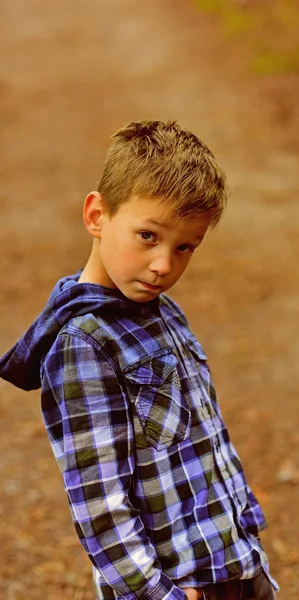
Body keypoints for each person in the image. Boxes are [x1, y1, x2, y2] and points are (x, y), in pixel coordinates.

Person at [0, 121, 278, 600]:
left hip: (228, 559)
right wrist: (157, 593)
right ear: (96, 215)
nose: (164, 265)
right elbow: (99, 503)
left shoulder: (162, 310)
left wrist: (245, 525)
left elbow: (203, 435)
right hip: (177, 583)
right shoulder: (82, 345)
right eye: (148, 235)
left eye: (184, 247)